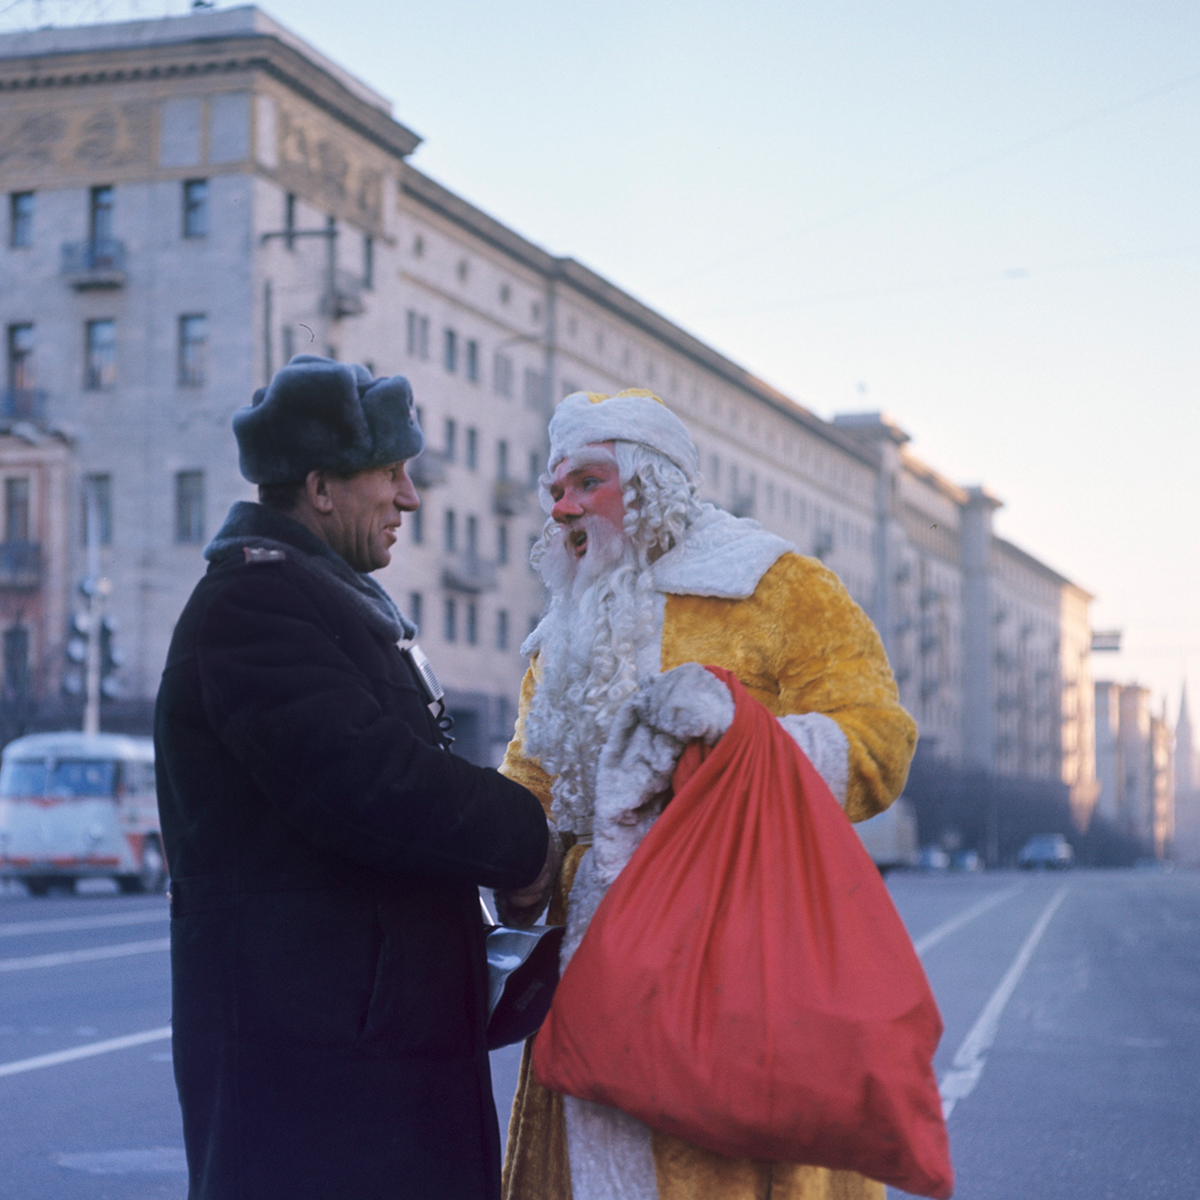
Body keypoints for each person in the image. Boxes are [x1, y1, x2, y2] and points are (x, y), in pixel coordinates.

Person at [155, 354, 560, 1200]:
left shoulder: (323, 602)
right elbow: (371, 785)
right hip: (317, 1090)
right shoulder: (252, 607)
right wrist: (527, 842)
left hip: (359, 1065)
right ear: (321, 488)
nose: (409, 497)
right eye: (389, 472)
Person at [499, 389, 918, 1200]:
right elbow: (533, 780)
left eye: (587, 482)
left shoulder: (775, 587)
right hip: (589, 975)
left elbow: (877, 739)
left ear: (652, 482)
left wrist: (735, 746)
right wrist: (508, 857)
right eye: (554, 489)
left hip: (741, 969)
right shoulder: (561, 630)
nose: (563, 507)